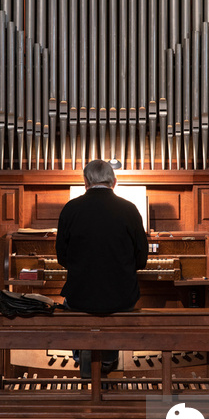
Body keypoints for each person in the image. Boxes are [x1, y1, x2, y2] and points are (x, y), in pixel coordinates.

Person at [56, 159, 148, 377]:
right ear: (114, 182)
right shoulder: (129, 209)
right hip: (121, 298)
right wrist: (121, 267)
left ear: (85, 182)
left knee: (72, 304)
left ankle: (84, 356)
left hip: (81, 297)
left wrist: (82, 267)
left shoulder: (71, 209)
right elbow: (142, 259)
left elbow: (61, 257)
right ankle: (108, 359)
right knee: (116, 305)